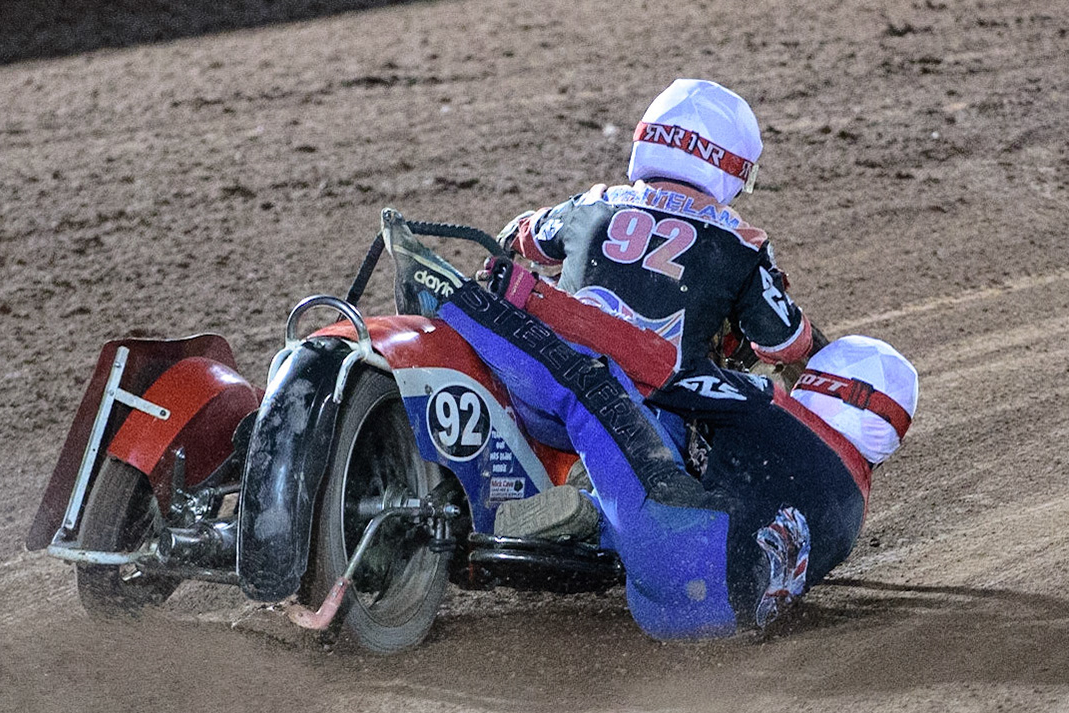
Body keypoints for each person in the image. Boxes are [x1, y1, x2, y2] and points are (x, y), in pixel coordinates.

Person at [386, 211, 918, 637]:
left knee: (593, 387)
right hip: (715, 620)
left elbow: (651, 363)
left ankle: (456, 301)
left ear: (829, 386)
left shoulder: (772, 406)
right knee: (673, 475)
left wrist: (530, 298)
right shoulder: (853, 506)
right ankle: (595, 515)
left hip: (678, 555)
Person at [486, 79, 825, 539]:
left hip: (539, 387)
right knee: (696, 446)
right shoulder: (741, 243)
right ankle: (595, 504)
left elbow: (519, 235)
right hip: (642, 406)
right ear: (730, 167)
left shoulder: (595, 203)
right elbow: (784, 341)